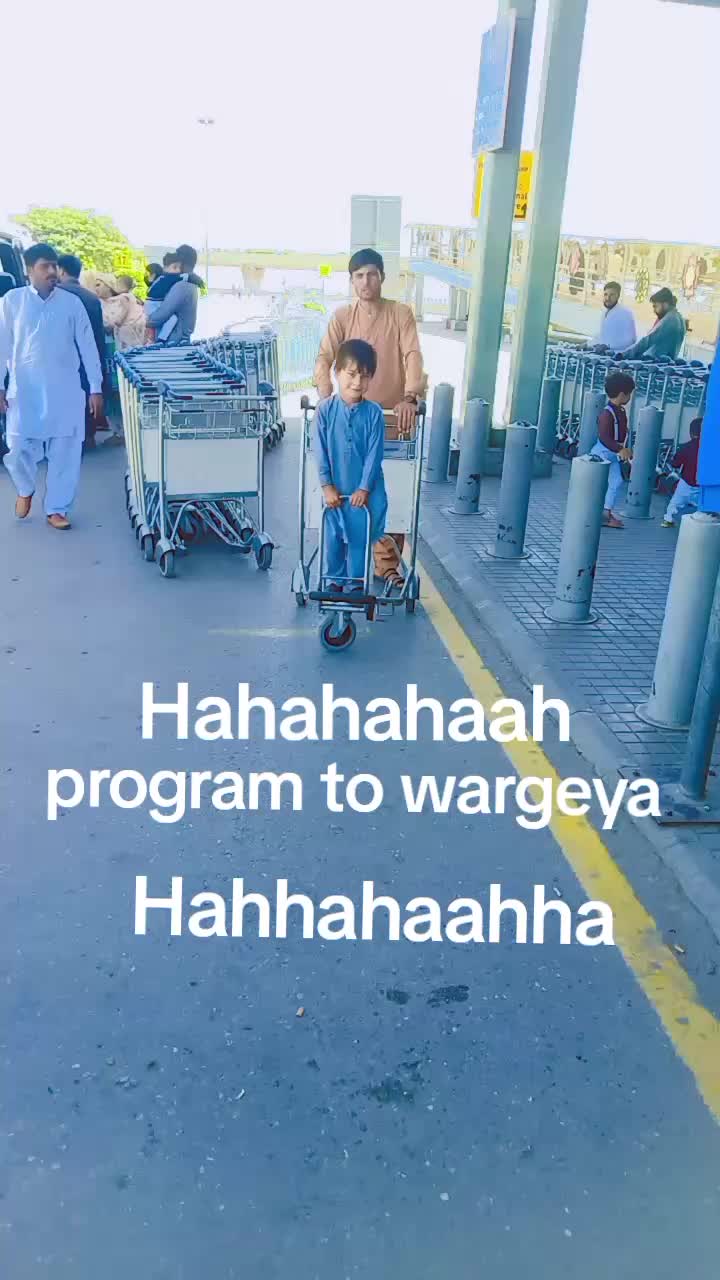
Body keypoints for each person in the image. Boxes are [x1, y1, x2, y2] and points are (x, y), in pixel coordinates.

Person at [313, 248, 426, 590]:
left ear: (382, 277)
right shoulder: (343, 317)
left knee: (391, 495)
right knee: (349, 497)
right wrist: (325, 396)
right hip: (348, 422)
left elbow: (412, 354)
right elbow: (325, 357)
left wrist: (410, 397)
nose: (366, 282)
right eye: (359, 276)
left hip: (390, 418)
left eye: (372, 274)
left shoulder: (400, 314)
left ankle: (387, 563)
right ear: (351, 280)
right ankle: (350, 569)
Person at [0, 243, 103, 530]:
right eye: (45, 266)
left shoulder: (72, 304)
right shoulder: (12, 302)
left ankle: (57, 508)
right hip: (24, 391)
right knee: (17, 448)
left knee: (66, 452)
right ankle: (25, 488)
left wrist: (95, 387)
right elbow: (1, 346)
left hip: (65, 391)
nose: (52, 272)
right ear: (29, 270)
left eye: (54, 266)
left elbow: (88, 347)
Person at [314, 339, 387, 592]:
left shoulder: (374, 413)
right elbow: (320, 451)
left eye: (365, 376)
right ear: (337, 373)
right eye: (351, 373)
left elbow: (374, 455)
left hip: (363, 492)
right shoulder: (324, 411)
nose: (357, 382)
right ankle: (333, 580)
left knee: (359, 535)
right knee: (333, 536)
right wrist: (327, 486)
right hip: (334, 488)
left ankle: (356, 583)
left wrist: (364, 488)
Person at [56, 252, 107, 451]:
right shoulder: (91, 298)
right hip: (88, 357)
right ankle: (87, 436)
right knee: (86, 395)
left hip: (63, 358)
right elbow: (99, 335)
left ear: (61, 270)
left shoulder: (54, 295)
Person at [589, 370, 636, 529]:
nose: (630, 398)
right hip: (603, 453)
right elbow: (604, 437)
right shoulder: (607, 414)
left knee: (616, 481)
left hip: (612, 453)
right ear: (622, 394)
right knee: (604, 483)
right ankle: (601, 513)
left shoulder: (620, 411)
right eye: (629, 394)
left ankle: (606, 512)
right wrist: (620, 449)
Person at [143, 244, 202, 345]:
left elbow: (161, 314)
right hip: (182, 340)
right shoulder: (192, 284)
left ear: (182, 262)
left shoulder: (181, 286)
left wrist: (141, 321)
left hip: (172, 341)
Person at [621, 288, 686, 360]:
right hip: (667, 361)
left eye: (655, 306)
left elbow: (647, 341)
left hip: (657, 362)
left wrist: (623, 355)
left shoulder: (670, 319)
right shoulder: (679, 318)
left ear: (665, 304)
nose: (654, 310)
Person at [662, 417, 703, 528]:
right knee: (705, 507)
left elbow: (675, 464)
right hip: (703, 486)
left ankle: (668, 520)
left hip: (686, 484)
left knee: (674, 503)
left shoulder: (685, 447)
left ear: (691, 433)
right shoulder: (712, 448)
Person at [95, 273, 146, 351]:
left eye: (98, 285)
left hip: (129, 338)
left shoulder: (124, 299)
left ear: (108, 286)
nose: (95, 288)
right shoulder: (97, 303)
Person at [595, 281, 636, 350]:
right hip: (602, 353)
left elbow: (632, 340)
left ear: (618, 296)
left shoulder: (625, 313)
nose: (608, 298)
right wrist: (587, 344)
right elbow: (602, 335)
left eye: (612, 295)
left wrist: (609, 347)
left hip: (618, 354)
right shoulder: (605, 312)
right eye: (605, 294)